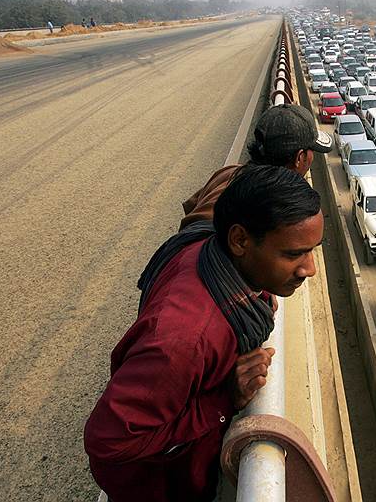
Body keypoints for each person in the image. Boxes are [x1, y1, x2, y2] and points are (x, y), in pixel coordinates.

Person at [84, 164, 324, 502]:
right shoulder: (185, 340)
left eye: (312, 250)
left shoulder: (211, 255)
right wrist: (223, 400)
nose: (309, 269)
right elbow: (108, 442)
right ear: (240, 240)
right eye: (292, 253)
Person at [178, 104, 332, 232]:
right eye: (311, 151)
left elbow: (191, 207)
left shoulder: (228, 172)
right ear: (299, 158)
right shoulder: (272, 207)